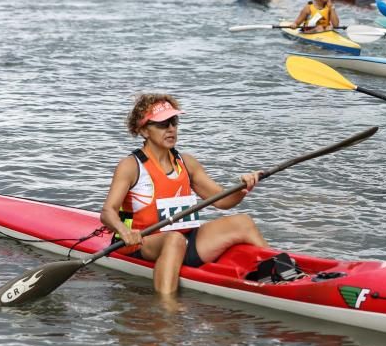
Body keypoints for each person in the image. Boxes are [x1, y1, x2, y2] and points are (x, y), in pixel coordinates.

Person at [99, 94, 269, 295]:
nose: (171, 128)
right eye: (162, 124)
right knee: (174, 239)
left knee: (243, 222)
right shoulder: (130, 166)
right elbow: (107, 211)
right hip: (141, 243)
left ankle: (279, 273)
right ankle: (166, 309)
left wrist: (243, 189)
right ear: (143, 130)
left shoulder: (186, 162)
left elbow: (222, 201)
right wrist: (123, 230)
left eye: (174, 122)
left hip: (184, 239)